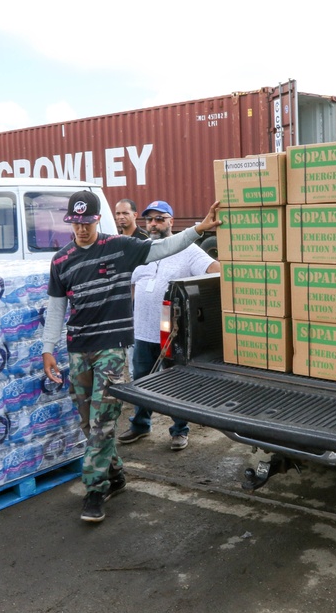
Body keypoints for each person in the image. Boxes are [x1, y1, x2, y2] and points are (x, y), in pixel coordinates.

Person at [42, 190, 221, 523]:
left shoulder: (119, 249)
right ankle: (115, 474)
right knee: (87, 422)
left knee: (102, 423)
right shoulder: (61, 261)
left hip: (112, 349)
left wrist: (199, 229)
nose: (81, 229)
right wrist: (47, 349)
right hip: (78, 350)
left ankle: (94, 491)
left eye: (88, 222)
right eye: (76, 223)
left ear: (98, 220)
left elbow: (164, 247)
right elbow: (57, 308)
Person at [118, 200, 220, 451]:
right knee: (141, 380)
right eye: (149, 219)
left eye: (160, 219)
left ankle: (179, 430)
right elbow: (131, 287)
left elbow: (217, 272)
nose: (154, 224)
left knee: (175, 383)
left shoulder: (189, 251)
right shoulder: (141, 251)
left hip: (172, 334)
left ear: (171, 222)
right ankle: (141, 425)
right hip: (142, 331)